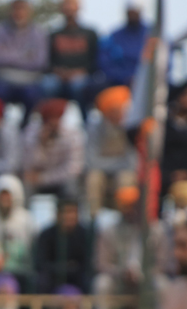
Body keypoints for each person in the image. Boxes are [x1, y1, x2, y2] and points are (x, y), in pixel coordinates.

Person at [0, 0, 48, 119]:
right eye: (16, 9)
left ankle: (26, 127)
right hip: (4, 79)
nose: (19, 13)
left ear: (29, 12)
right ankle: (2, 127)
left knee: (36, 94)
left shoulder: (38, 32)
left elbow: (40, 62)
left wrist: (9, 55)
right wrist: (25, 55)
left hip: (30, 80)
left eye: (22, 9)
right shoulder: (0, 31)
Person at [84, 85, 137, 216]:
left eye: (120, 110)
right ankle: (94, 219)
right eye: (113, 110)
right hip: (101, 172)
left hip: (123, 171)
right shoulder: (95, 127)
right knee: (93, 178)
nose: (118, 114)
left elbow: (132, 162)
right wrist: (117, 161)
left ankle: (123, 217)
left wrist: (108, 160)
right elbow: (91, 161)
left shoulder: (131, 127)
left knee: (126, 178)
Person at [44, 0, 99, 109]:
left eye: (72, 3)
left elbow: (95, 60)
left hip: (82, 76)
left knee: (79, 85)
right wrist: (58, 71)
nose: (69, 7)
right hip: (58, 77)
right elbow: (47, 61)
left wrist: (80, 71)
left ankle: (85, 118)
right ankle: (51, 117)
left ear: (79, 7)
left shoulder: (90, 34)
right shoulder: (54, 35)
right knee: (48, 85)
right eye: (66, 3)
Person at [23, 98, 84, 198]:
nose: (54, 122)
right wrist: (41, 143)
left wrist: (44, 178)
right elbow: (28, 167)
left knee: (72, 184)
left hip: (59, 179)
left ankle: (68, 208)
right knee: (26, 183)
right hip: (37, 180)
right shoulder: (31, 132)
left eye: (57, 118)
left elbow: (74, 168)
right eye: (50, 118)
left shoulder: (72, 134)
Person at [93, 185, 145, 297]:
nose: (131, 210)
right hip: (117, 278)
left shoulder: (153, 230)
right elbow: (101, 264)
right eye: (127, 206)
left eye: (133, 205)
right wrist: (122, 272)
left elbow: (163, 264)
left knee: (161, 283)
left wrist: (141, 273)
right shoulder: (108, 231)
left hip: (145, 278)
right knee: (102, 283)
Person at [34, 195, 91, 294]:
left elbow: (87, 263)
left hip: (77, 278)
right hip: (53, 277)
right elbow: (41, 263)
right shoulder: (46, 234)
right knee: (41, 281)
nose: (69, 216)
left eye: (73, 212)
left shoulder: (85, 234)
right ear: (58, 214)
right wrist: (62, 267)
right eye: (66, 212)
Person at [99, 0, 148, 89]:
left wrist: (142, 79)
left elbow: (163, 62)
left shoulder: (152, 35)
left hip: (148, 84)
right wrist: (125, 78)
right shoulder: (114, 36)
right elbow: (105, 63)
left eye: (135, 11)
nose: (132, 14)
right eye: (130, 11)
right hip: (119, 84)